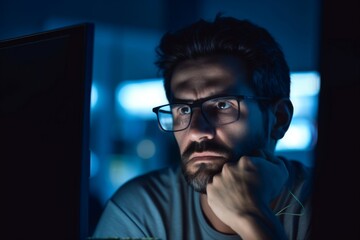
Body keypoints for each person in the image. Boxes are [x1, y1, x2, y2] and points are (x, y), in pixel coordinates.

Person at [92, 14, 313, 240]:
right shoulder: (141, 210)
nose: (196, 131)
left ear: (279, 118)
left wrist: (251, 217)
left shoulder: (331, 207)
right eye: (184, 110)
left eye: (222, 105)